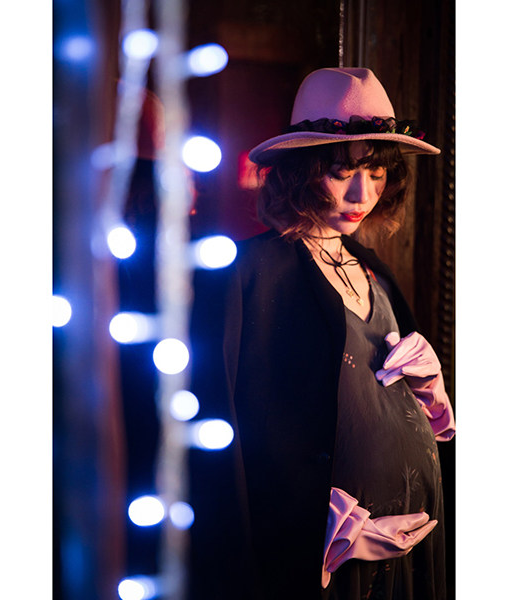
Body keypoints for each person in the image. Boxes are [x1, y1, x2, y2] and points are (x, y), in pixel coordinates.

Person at [189, 67, 455, 600]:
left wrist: (432, 392)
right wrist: (322, 528)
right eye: (341, 172)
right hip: (325, 567)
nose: (363, 193)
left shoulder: (373, 267)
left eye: (377, 172)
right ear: (301, 172)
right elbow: (226, 427)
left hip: (417, 545)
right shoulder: (250, 272)